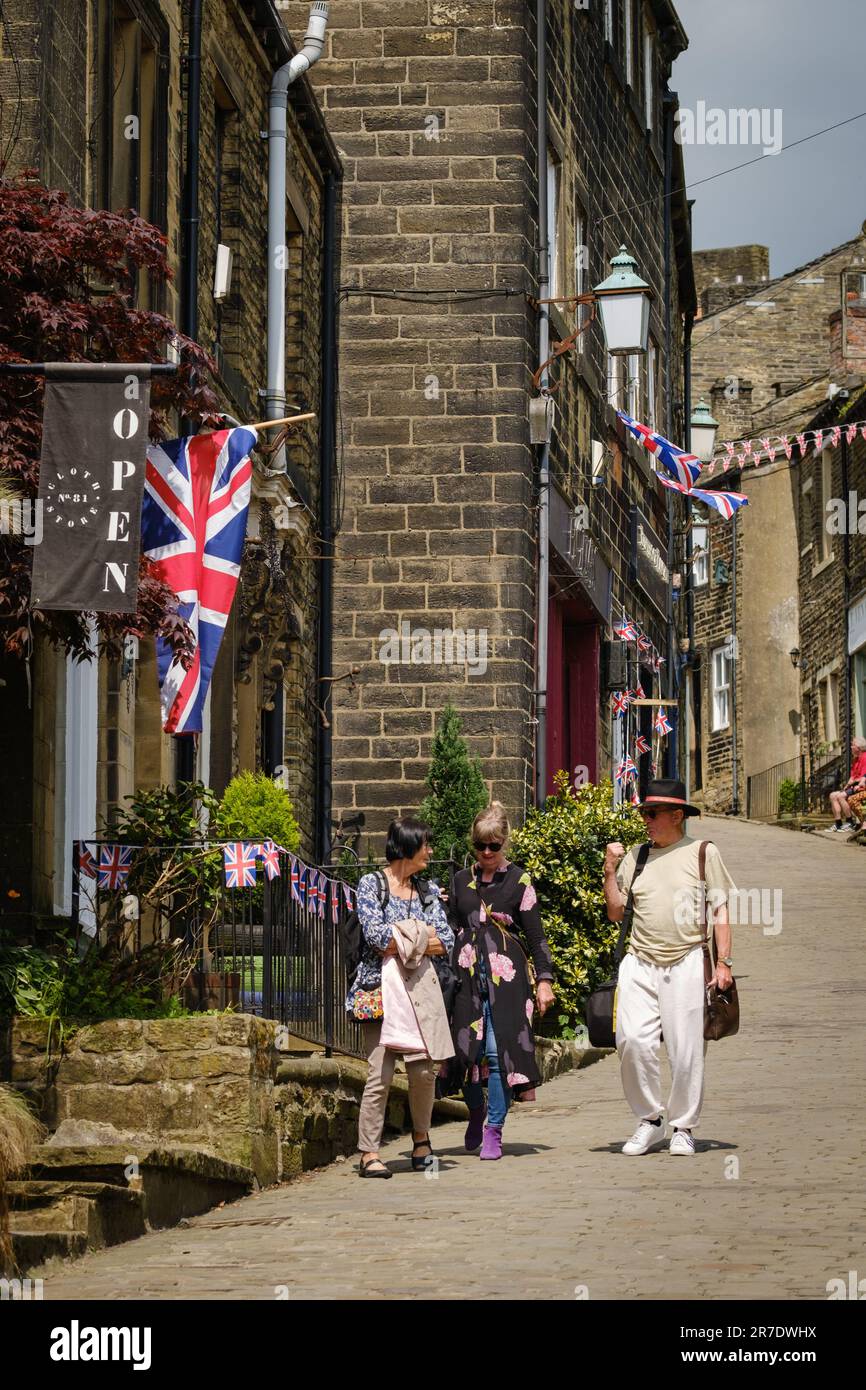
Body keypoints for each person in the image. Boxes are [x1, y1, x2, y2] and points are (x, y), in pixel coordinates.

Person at [603, 779, 736, 1157]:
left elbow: (720, 909)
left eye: (652, 813)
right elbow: (615, 912)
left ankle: (682, 1126)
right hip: (640, 960)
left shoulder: (702, 852)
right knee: (631, 1040)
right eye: (644, 812)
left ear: (677, 816)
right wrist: (610, 870)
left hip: (687, 960)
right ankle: (650, 1120)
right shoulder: (637, 856)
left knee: (686, 1049)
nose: (645, 819)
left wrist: (724, 963)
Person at [346, 817, 454, 1179]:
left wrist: (406, 939)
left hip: (417, 993)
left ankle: (422, 1142)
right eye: (425, 844)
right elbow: (377, 937)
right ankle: (369, 1152)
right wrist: (421, 936)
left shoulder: (427, 890)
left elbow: (448, 941)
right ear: (408, 846)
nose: (431, 851)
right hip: (378, 991)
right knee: (380, 1073)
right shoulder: (370, 885)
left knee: (423, 1072)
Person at [447, 803, 555, 1161]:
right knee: (466, 1054)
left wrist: (544, 980)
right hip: (466, 978)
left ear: (505, 842)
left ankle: (494, 1128)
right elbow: (449, 928)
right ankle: (475, 1110)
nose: (488, 853)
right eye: (481, 846)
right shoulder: (461, 880)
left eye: (494, 845)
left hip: (507, 982)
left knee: (496, 1054)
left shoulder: (519, 881)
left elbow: (537, 937)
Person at [828, 736, 866, 831]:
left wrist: (855, 781)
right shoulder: (855, 759)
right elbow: (852, 776)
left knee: (841, 796)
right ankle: (838, 824)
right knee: (833, 795)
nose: (851, 747)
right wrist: (846, 786)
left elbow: (863, 777)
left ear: (859, 747)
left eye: (852, 745)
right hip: (854, 786)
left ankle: (850, 822)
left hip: (861, 787)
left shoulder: (865, 757)